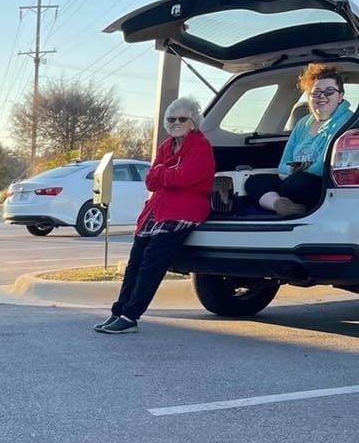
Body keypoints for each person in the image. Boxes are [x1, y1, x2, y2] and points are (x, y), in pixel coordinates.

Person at [95, 97, 214, 334]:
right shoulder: (165, 147)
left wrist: (162, 172)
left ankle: (131, 315)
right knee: (135, 260)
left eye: (182, 118)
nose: (176, 123)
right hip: (157, 208)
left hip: (184, 210)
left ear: (193, 122)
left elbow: (184, 178)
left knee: (152, 261)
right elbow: (150, 181)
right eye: (171, 119)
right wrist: (165, 172)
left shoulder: (201, 146)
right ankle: (119, 311)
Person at [243, 65, 352, 219]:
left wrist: (296, 172)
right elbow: (283, 164)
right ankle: (282, 206)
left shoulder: (347, 121)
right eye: (316, 93)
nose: (322, 96)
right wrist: (290, 173)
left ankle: (299, 207)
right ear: (309, 96)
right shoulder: (302, 123)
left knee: (297, 183)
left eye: (329, 92)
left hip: (322, 185)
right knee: (254, 181)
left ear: (340, 96)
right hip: (291, 180)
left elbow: (325, 165)